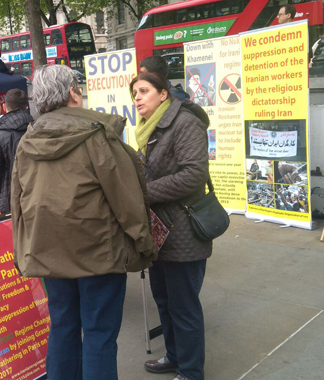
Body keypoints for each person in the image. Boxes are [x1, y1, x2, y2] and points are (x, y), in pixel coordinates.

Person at [11, 65, 156, 380]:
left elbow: (18, 202)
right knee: (99, 334)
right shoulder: (97, 135)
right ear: (74, 93)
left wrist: (22, 249)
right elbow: (126, 199)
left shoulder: (27, 141)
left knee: (63, 327)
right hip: (98, 255)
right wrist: (144, 244)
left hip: (47, 253)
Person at [131, 72, 211, 380]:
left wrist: (143, 193)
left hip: (185, 230)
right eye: (134, 93)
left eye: (144, 91)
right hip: (158, 234)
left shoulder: (184, 123)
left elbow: (194, 175)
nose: (137, 97)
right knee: (164, 300)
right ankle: (175, 357)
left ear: (163, 94)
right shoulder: (146, 131)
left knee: (184, 306)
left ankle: (192, 372)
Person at [0, 88, 33, 214]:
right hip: (37, 195)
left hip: (11, 197)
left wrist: (3, 190)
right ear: (26, 107)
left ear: (4, 106)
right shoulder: (38, 130)